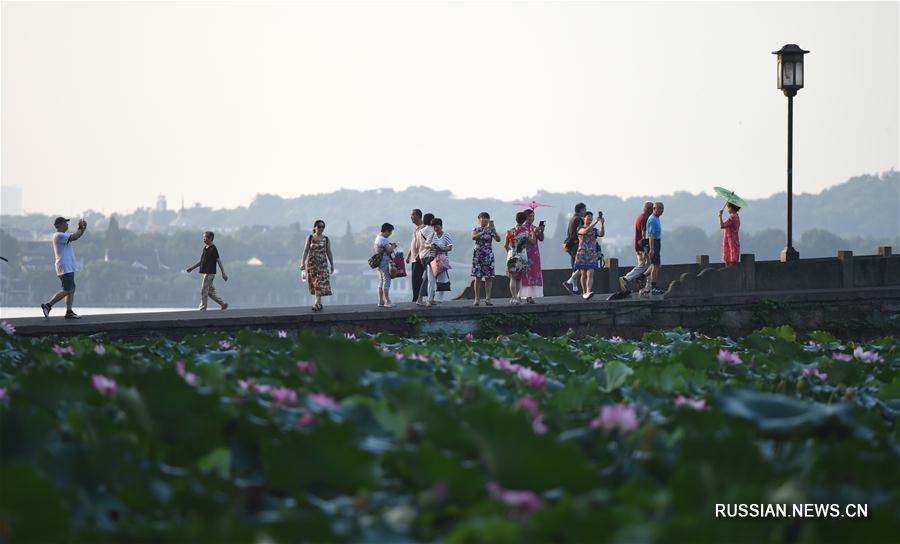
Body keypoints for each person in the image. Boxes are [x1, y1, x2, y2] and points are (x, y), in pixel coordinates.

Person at [40, 217, 87, 319]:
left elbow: (76, 236)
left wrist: (82, 229)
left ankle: (69, 312)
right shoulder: (58, 235)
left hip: (67, 266)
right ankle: (48, 305)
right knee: (68, 289)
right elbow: (75, 236)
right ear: (59, 225)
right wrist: (80, 227)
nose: (67, 224)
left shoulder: (64, 235)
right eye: (65, 223)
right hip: (64, 266)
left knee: (71, 288)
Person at [186, 231, 229, 310]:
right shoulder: (205, 248)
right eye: (203, 237)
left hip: (210, 273)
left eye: (205, 237)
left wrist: (223, 273)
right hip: (205, 273)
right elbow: (202, 261)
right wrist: (192, 268)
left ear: (210, 239)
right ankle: (223, 304)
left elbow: (218, 261)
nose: (204, 239)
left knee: (204, 290)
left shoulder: (213, 248)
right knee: (209, 291)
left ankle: (203, 307)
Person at [619, 201, 654, 293]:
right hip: (643, 248)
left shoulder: (640, 217)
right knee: (648, 266)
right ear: (649, 209)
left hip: (639, 247)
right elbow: (644, 235)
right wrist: (646, 249)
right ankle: (627, 279)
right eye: (652, 208)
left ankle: (645, 287)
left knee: (645, 266)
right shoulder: (645, 219)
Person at [300, 219, 334, 312]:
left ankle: (317, 303)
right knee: (314, 283)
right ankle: (319, 303)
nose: (321, 228)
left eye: (323, 227)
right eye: (319, 226)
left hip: (322, 264)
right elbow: (306, 250)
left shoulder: (326, 239)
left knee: (319, 283)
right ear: (315, 227)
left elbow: (329, 252)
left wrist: (332, 264)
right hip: (312, 264)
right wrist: (302, 263)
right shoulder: (310, 237)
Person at [471, 212, 501, 306]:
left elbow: (498, 239)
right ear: (479, 219)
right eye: (482, 218)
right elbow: (473, 237)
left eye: (486, 218)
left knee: (489, 278)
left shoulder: (491, 230)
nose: (484, 220)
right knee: (478, 277)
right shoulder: (476, 229)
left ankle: (488, 299)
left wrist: (494, 231)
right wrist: (483, 232)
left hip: (488, 256)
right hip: (478, 255)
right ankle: (477, 298)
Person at [573, 211, 605, 299]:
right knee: (583, 274)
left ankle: (588, 291)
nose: (590, 218)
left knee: (591, 273)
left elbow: (601, 234)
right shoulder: (580, 228)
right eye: (588, 217)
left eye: (591, 217)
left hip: (592, 254)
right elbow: (585, 231)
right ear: (584, 218)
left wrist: (602, 224)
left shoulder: (594, 230)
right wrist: (595, 222)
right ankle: (584, 292)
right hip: (582, 254)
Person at [504, 211, 531, 305]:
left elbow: (505, 245)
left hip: (512, 254)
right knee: (519, 278)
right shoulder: (526, 232)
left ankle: (514, 297)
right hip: (523, 255)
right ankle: (515, 297)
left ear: (516, 219)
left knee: (512, 277)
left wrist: (510, 251)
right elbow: (531, 242)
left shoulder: (509, 231)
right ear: (524, 220)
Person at [425, 218, 453, 306]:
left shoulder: (446, 235)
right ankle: (430, 299)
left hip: (442, 260)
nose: (435, 229)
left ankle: (439, 300)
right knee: (431, 280)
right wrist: (431, 246)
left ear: (441, 226)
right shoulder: (432, 235)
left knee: (442, 280)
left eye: (437, 227)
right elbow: (425, 245)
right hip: (432, 259)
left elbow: (450, 247)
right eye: (434, 227)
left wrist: (441, 248)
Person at [520, 209, 545, 303]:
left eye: (533, 216)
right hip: (526, 252)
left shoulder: (534, 227)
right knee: (526, 274)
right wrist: (533, 232)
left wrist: (541, 231)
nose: (532, 218)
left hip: (534, 253)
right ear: (525, 217)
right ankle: (527, 296)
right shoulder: (522, 228)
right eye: (530, 216)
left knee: (534, 273)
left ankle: (531, 295)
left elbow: (541, 239)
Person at [642, 202, 666, 297]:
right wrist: (651, 249)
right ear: (654, 208)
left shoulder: (657, 218)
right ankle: (653, 287)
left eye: (662, 209)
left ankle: (641, 277)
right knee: (655, 266)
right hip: (653, 243)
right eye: (659, 208)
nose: (661, 211)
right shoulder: (652, 219)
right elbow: (651, 235)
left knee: (655, 265)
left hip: (657, 242)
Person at [562, 203, 587, 295]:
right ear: (581, 210)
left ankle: (575, 289)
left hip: (570, 245)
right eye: (584, 210)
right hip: (576, 245)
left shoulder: (572, 219)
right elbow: (578, 233)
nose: (585, 212)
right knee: (584, 265)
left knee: (575, 266)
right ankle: (569, 282)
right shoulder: (578, 219)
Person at [373, 223, 397, 308]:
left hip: (379, 263)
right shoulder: (383, 240)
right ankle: (387, 301)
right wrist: (393, 246)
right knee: (387, 281)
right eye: (390, 232)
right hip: (385, 262)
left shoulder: (377, 238)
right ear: (386, 231)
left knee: (381, 281)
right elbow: (389, 251)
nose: (390, 234)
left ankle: (380, 301)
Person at [415, 213, 435, 306]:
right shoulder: (432, 230)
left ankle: (431, 298)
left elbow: (418, 245)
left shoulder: (420, 231)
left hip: (422, 255)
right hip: (429, 256)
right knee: (429, 278)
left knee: (428, 277)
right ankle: (420, 298)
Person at [407, 209, 425, 302]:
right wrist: (408, 255)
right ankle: (416, 298)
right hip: (414, 258)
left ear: (418, 216)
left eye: (412, 215)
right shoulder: (416, 228)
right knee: (414, 278)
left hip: (420, 258)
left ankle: (419, 297)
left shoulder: (423, 228)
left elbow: (423, 243)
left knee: (418, 278)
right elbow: (413, 243)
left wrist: (419, 254)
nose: (411, 217)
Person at [719, 203, 741, 267]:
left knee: (729, 268)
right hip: (734, 244)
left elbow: (722, 225)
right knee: (733, 267)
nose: (728, 209)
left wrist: (720, 216)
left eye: (728, 208)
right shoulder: (737, 217)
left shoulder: (732, 217)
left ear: (731, 208)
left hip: (730, 245)